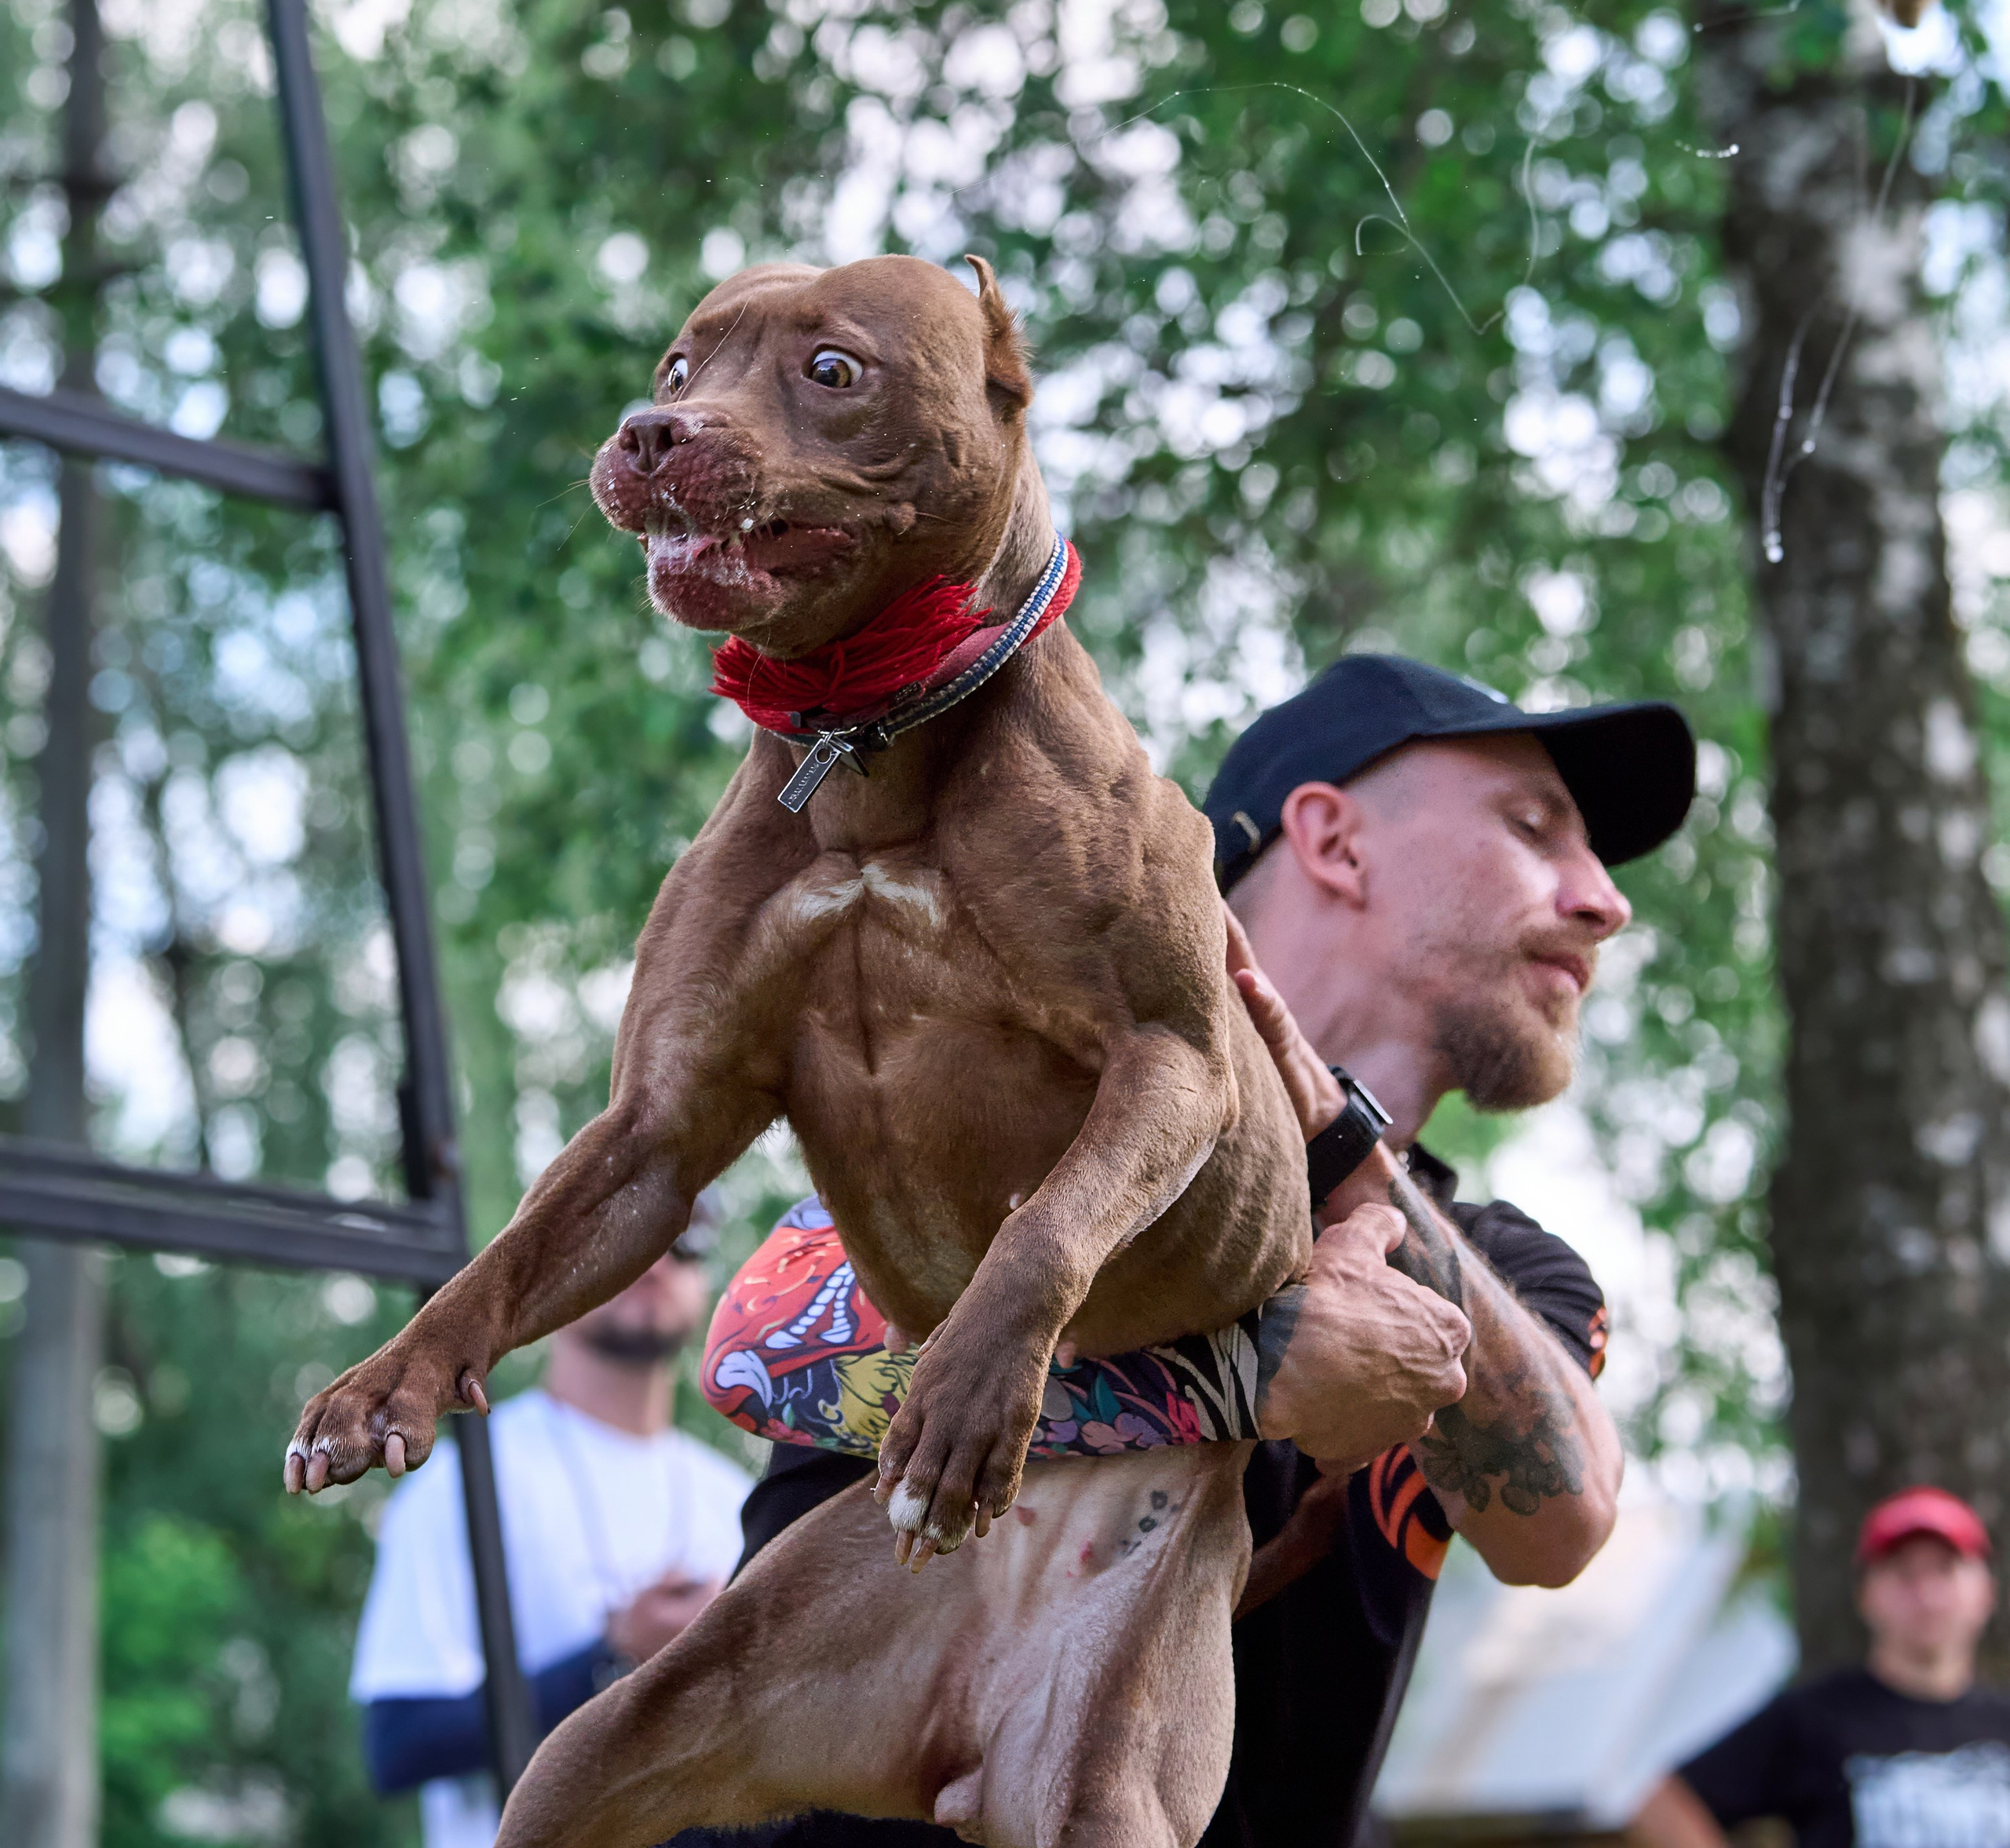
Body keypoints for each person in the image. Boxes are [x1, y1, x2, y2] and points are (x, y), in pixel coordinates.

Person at [685, 652, 1697, 1848]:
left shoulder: (1505, 1273)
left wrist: (1335, 1150)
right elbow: (768, 1351)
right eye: (1535, 828)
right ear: (1335, 841)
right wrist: (1250, 1368)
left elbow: (1562, 1518)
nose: (1605, 899)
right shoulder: (1041, 1098)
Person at [349, 1236, 750, 1848]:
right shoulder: (462, 1482)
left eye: (688, 1237)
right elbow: (399, 1742)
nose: (656, 1253)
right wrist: (613, 1657)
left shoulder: (739, 1497)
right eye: (625, 1227)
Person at [1633, 1489, 2010, 1848]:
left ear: (1986, 1592)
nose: (1926, 1594)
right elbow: (1663, 1803)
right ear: (1866, 1596)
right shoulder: (1815, 1716)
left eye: (1945, 1570)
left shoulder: (2002, 1722)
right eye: (1904, 1573)